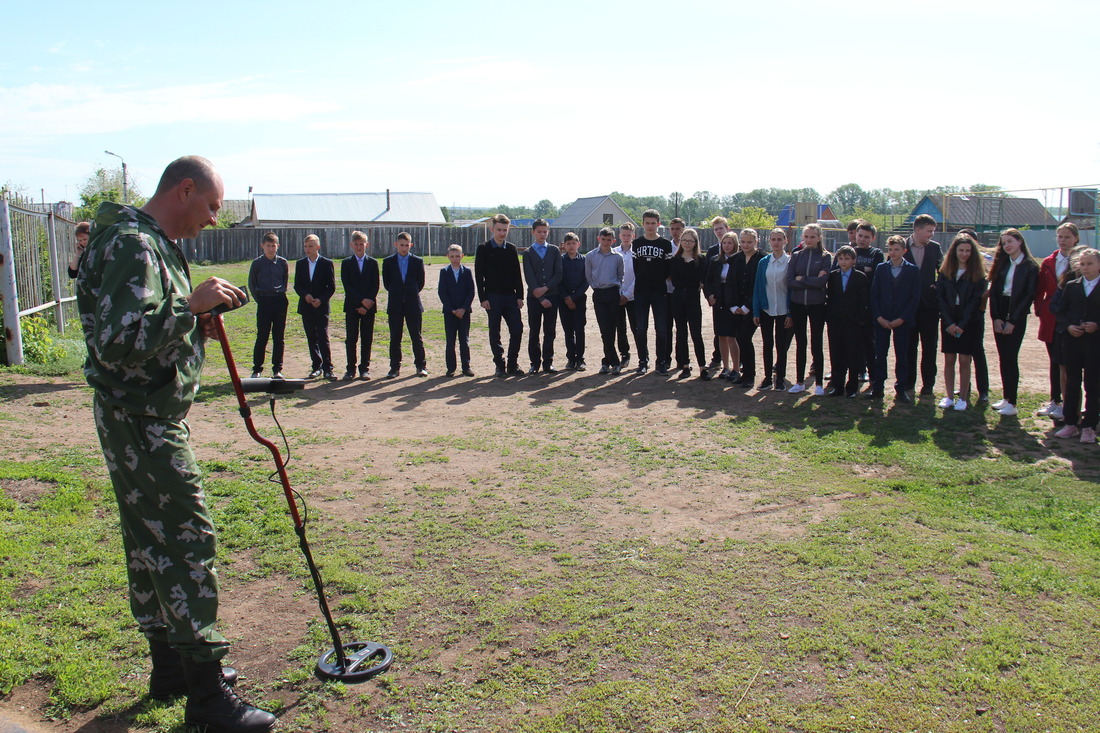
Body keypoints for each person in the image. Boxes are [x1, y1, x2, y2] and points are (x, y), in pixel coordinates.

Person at [75, 155, 276, 732]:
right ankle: (209, 700)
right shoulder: (134, 246)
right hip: (143, 421)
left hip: (138, 416)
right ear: (184, 190)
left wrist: (192, 321)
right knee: (188, 540)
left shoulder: (147, 241)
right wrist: (189, 306)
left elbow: (145, 324)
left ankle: (170, 669)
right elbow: (117, 342)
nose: (213, 219)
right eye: (212, 206)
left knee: (150, 542)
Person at [988, 228, 1039, 417]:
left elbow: (1028, 296)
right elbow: (994, 291)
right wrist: (997, 318)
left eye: (1010, 241)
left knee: (1011, 356)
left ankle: (1013, 401)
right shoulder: (1002, 263)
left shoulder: (1030, 266)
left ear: (1019, 241)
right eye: (1003, 243)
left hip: (1016, 313)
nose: (1006, 245)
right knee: (1003, 357)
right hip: (1001, 310)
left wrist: (1013, 321)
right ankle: (1006, 398)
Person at [935, 233, 987, 411]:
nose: (964, 254)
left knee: (965, 359)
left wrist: (961, 325)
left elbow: (975, 302)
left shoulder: (978, 275)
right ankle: (949, 396)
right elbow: (940, 298)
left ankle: (963, 398)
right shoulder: (945, 272)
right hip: (949, 319)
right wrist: (949, 322)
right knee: (949, 358)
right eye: (961, 250)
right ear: (954, 251)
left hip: (968, 321)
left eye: (967, 250)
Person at [1053, 247, 1100, 443]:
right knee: (1072, 382)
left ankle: (1089, 425)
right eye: (1082, 264)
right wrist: (1069, 326)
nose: (1086, 267)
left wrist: (1097, 325)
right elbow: (1060, 312)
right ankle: (1071, 423)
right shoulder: (1071, 286)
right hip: (1072, 341)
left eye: (1090, 264)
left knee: (1093, 384)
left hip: (1095, 343)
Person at [1035, 222, 1080, 419]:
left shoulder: (1082, 260)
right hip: (1050, 314)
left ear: (1076, 239)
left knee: (1069, 362)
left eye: (1067, 237)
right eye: (1060, 236)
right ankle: (1055, 400)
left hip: (1071, 316)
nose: (1063, 240)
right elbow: (1040, 289)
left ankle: (1072, 405)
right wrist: (1039, 310)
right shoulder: (1048, 261)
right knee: (1054, 359)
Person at [870, 235, 921, 402]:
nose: (893, 253)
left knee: (902, 355)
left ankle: (901, 388)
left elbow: (914, 298)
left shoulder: (912, 270)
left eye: (897, 249)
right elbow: (874, 294)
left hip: (902, 320)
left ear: (904, 251)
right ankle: (878, 388)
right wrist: (878, 317)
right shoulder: (881, 268)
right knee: (880, 354)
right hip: (883, 319)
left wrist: (903, 318)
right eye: (890, 249)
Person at [475, 214, 524, 377]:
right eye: (499, 230)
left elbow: (517, 274)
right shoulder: (483, 248)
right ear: (492, 229)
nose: (502, 233)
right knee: (494, 332)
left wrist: (520, 296)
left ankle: (512, 364)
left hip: (510, 297)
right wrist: (483, 298)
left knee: (517, 330)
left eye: (505, 230)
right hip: (492, 297)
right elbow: (478, 275)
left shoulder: (511, 249)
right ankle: (499, 365)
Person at [786, 223, 832, 395]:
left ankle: (819, 383)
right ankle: (799, 382)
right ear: (802, 238)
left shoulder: (825, 257)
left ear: (819, 237)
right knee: (800, 343)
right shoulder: (796, 256)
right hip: (798, 304)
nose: (809, 240)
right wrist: (811, 280)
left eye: (813, 236)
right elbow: (790, 281)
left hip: (817, 305)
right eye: (806, 236)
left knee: (816, 343)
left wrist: (802, 279)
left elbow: (822, 282)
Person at [904, 213, 944, 396]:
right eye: (929, 231)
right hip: (908, 307)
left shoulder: (935, 248)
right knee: (909, 346)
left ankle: (928, 384)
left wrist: (938, 285)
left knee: (929, 346)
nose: (931, 235)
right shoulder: (901, 246)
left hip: (929, 307)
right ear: (918, 229)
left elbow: (943, 272)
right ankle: (908, 383)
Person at [825, 245, 870, 398]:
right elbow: (829, 298)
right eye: (841, 259)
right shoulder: (833, 276)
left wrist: (860, 320)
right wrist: (830, 317)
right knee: (836, 354)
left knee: (853, 355)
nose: (843, 262)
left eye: (847, 259)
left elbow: (863, 301)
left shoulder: (860, 277)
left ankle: (852, 388)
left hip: (853, 322)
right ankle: (838, 386)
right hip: (836, 322)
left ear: (853, 260)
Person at [632, 209, 673, 375]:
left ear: (658, 224)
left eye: (653, 223)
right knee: (640, 328)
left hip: (659, 292)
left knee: (661, 329)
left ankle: (661, 362)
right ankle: (643, 361)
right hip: (641, 291)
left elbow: (668, 268)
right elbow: (636, 268)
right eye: (647, 223)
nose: (650, 226)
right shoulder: (637, 243)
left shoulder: (665, 244)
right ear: (643, 224)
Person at [753, 228, 794, 391]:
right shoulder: (764, 262)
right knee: (767, 344)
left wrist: (791, 312)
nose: (776, 242)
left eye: (779, 239)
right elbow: (758, 287)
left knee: (781, 345)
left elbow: (791, 289)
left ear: (785, 241)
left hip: (784, 309)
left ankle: (780, 378)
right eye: (773, 239)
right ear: (769, 241)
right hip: (767, 308)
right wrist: (756, 311)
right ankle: (768, 378)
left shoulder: (790, 262)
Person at [382, 232, 427, 378]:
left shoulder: (417, 261)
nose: (404, 248)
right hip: (395, 304)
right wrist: (399, 293)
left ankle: (421, 366)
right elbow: (387, 283)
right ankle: (394, 368)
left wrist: (409, 293)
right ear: (396, 244)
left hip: (413, 304)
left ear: (411, 245)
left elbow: (420, 282)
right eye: (401, 245)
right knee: (395, 337)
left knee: (416, 336)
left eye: (407, 245)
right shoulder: (388, 262)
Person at [247, 232, 289, 379]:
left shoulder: (283, 263)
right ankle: (257, 369)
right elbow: (252, 284)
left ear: (278, 246)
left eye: (273, 246)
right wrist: (261, 300)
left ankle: (277, 369)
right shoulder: (257, 263)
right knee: (262, 336)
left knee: (279, 337)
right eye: (268, 246)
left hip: (279, 300)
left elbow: (285, 281)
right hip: (264, 301)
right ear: (262, 246)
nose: (271, 249)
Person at [522, 218, 562, 373]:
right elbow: (529, 276)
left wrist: (545, 289)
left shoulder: (554, 250)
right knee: (534, 331)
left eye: (545, 231)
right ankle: (534, 363)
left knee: (550, 331)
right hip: (534, 298)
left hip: (552, 296)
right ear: (533, 232)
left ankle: (548, 362)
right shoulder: (528, 253)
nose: (542, 234)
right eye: (539, 231)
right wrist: (539, 297)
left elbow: (558, 274)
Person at [669, 227, 709, 379]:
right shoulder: (675, 259)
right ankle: (685, 365)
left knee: (696, 333)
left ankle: (702, 366)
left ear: (695, 242)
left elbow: (700, 279)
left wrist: (693, 282)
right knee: (681, 333)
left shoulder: (701, 259)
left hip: (693, 299)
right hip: (678, 298)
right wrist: (692, 281)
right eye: (684, 240)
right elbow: (676, 281)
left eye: (690, 241)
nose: (687, 243)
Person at [294, 234, 336, 379]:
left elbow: (331, 287)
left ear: (317, 247)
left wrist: (321, 300)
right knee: (311, 337)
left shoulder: (326, 263)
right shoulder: (300, 264)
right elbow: (297, 285)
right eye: (305, 246)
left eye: (310, 246)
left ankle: (328, 368)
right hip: (306, 306)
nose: (307, 249)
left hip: (321, 306)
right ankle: (316, 366)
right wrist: (305, 295)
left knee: (322, 336)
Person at [340, 230, 379, 380]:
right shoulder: (346, 263)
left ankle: (364, 369)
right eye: (356, 244)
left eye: (361, 244)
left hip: (369, 307)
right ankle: (350, 369)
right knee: (351, 338)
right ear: (351, 245)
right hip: (352, 306)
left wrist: (367, 303)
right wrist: (360, 301)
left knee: (367, 338)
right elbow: (347, 286)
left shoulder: (373, 263)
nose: (358, 247)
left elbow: (375, 285)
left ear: (366, 245)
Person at [585, 227, 625, 374]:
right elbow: (589, 276)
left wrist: (618, 291)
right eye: (603, 239)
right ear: (598, 239)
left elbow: (621, 275)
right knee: (604, 330)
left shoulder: (618, 257)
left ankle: (607, 362)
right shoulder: (590, 256)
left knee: (611, 329)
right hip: (599, 294)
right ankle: (613, 361)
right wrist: (596, 287)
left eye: (609, 240)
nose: (606, 242)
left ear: (613, 241)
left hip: (613, 293)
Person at [730, 228, 763, 387]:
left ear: (756, 241)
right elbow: (730, 283)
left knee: (744, 338)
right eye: (742, 241)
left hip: (754, 307)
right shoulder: (735, 259)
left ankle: (750, 375)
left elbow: (760, 286)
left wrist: (747, 307)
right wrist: (734, 306)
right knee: (739, 338)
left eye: (749, 241)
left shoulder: (762, 259)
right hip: (736, 307)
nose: (745, 244)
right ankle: (744, 375)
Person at [851, 221, 884, 381]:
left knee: (869, 340)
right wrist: (865, 270)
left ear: (873, 238)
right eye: (860, 235)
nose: (862, 239)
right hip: (850, 303)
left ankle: (870, 372)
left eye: (866, 237)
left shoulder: (876, 253)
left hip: (869, 304)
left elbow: (876, 275)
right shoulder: (849, 251)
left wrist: (857, 270)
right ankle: (855, 369)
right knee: (852, 338)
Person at [705, 232, 739, 380]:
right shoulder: (715, 260)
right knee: (721, 335)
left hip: (733, 301)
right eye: (724, 243)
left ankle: (736, 368)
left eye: (730, 243)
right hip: (719, 302)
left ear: (735, 244)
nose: (726, 246)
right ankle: (725, 367)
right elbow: (708, 281)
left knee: (732, 336)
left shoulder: (740, 260)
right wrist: (710, 295)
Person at [438, 244, 475, 377]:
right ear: (448, 257)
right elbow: (442, 292)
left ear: (462, 256)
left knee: (464, 340)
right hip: (450, 312)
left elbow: (471, 291)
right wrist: (452, 309)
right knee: (450, 340)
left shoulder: (467, 271)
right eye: (452, 256)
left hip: (464, 312)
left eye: (457, 256)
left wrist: (463, 308)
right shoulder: (444, 272)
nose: (455, 259)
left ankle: (466, 367)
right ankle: (451, 368)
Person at [558, 232, 589, 370]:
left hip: (579, 299)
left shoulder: (584, 260)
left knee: (579, 329)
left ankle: (580, 359)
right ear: (564, 246)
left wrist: (574, 297)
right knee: (568, 330)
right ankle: (571, 358)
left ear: (578, 244)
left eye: (573, 243)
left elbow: (586, 281)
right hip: (563, 300)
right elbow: (557, 281)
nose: (571, 246)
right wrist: (566, 298)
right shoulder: (559, 260)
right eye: (568, 243)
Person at [613, 222, 639, 369]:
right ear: (619, 236)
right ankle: (624, 354)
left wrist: (628, 294)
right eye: (624, 235)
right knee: (620, 327)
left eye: (629, 235)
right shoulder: (614, 251)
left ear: (633, 236)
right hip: (618, 296)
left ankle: (643, 355)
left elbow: (639, 275)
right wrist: (619, 294)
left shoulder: (636, 252)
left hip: (633, 296)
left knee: (637, 327)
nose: (626, 237)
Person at [707, 216, 731, 370]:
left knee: (735, 330)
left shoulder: (738, 249)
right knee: (719, 329)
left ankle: (737, 360)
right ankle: (718, 357)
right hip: (718, 296)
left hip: (734, 295)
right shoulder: (712, 251)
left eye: (721, 228)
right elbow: (707, 276)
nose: (719, 231)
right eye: (716, 229)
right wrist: (709, 295)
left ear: (727, 229)